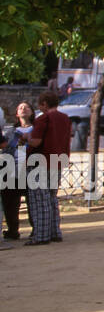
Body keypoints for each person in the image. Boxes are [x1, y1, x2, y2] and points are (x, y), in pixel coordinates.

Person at [27, 92, 70, 245]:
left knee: (40, 201)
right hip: (57, 162)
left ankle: (41, 236)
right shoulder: (65, 118)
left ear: (44, 103)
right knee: (52, 199)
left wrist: (26, 138)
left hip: (41, 163)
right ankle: (54, 232)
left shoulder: (43, 118)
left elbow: (36, 142)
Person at [1, 101, 34, 241]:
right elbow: (4, 148)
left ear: (32, 112)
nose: (23, 109)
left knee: (33, 201)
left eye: (26, 107)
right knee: (10, 202)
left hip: (31, 169)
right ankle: (13, 230)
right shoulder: (10, 131)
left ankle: (36, 229)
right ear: (16, 113)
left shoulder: (36, 129)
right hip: (11, 170)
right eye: (20, 107)